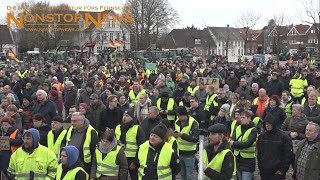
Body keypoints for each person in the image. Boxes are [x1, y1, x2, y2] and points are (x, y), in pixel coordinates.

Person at [257, 114, 293, 180]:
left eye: (269, 124)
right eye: (266, 124)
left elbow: (288, 155)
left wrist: (282, 170)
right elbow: (259, 153)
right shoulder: (262, 136)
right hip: (264, 170)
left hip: (277, 171)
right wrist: (260, 167)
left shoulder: (283, 137)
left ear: (274, 124)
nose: (267, 126)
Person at [115, 108, 145, 180]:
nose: (124, 117)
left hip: (132, 159)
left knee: (134, 177)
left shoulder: (137, 129)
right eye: (124, 115)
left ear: (132, 117)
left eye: (127, 116)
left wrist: (135, 162)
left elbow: (142, 147)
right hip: (120, 158)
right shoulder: (118, 127)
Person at [230, 111, 257, 180]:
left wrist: (235, 143)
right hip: (238, 160)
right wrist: (238, 143)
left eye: (243, 118)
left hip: (248, 161)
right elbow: (231, 141)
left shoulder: (253, 130)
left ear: (249, 118)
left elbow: (247, 144)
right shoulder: (237, 128)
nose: (241, 119)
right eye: (241, 118)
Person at [174, 106, 199, 180]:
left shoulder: (193, 123)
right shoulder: (177, 122)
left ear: (185, 114)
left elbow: (195, 139)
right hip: (180, 152)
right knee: (182, 174)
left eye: (180, 116)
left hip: (190, 153)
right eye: (178, 116)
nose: (179, 118)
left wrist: (182, 135)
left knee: (190, 175)